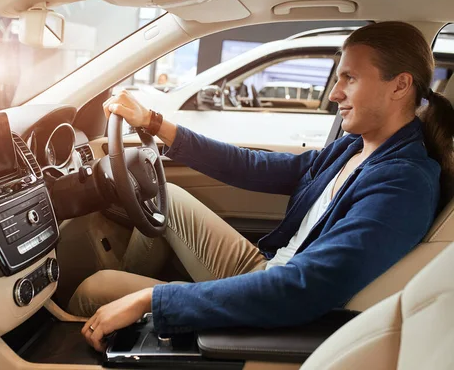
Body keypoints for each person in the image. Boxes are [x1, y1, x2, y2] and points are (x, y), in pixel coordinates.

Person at [73, 22, 454, 352]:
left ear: (400, 85)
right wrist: (154, 123)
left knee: (96, 288)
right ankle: (137, 314)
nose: (334, 93)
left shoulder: (403, 182)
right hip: (267, 266)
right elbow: (254, 167)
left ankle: (120, 325)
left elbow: (306, 288)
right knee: (164, 196)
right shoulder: (356, 146)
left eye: (349, 79)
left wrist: (151, 299)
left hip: (282, 296)